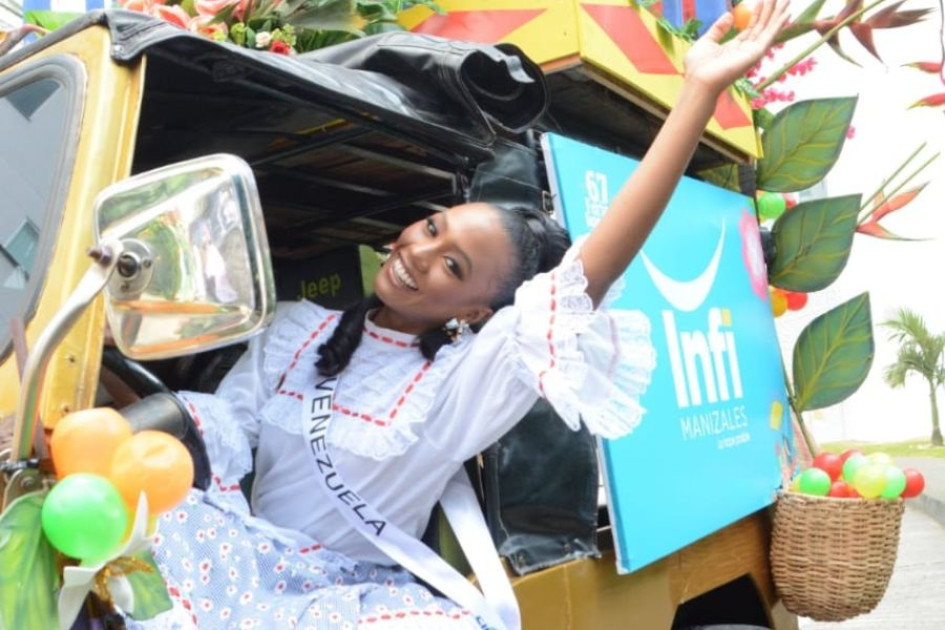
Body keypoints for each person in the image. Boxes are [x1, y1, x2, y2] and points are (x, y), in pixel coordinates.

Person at [133, 2, 790, 628]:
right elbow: (217, 429)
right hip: (240, 566)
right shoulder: (297, 329)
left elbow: (591, 271)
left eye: (452, 266)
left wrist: (697, 93)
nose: (419, 253)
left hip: (342, 602)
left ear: (477, 308)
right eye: (430, 228)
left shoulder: (463, 383)